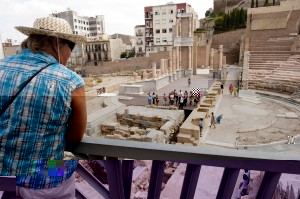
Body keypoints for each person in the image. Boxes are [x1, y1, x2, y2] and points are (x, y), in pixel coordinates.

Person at [0, 17, 87, 198]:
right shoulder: (71, 80)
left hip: (4, 176)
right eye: (71, 46)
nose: (71, 52)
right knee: (64, 169)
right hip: (45, 180)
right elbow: (74, 137)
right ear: (56, 43)